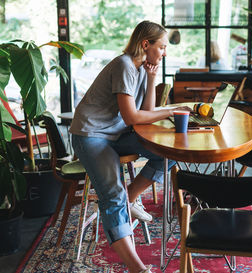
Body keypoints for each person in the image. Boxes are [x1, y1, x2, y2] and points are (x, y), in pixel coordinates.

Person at [70, 21, 190, 273]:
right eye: (162, 47)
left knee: (170, 151)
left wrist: (152, 77)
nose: (164, 52)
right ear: (146, 44)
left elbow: (145, 111)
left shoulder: (139, 69)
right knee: (112, 195)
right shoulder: (124, 64)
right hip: (91, 135)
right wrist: (170, 110)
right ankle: (137, 268)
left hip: (116, 134)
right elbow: (132, 118)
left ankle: (131, 198)